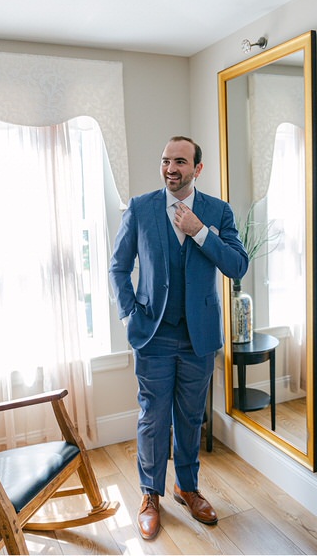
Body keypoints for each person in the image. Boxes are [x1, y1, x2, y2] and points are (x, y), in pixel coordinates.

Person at [109, 136, 248, 540]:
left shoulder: (217, 212)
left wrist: (201, 232)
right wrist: (128, 314)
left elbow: (237, 265)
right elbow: (118, 267)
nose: (171, 168)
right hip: (152, 333)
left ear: (197, 169)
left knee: (189, 417)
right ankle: (150, 494)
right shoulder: (140, 208)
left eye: (180, 162)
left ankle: (187, 487)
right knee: (153, 418)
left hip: (199, 338)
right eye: (166, 160)